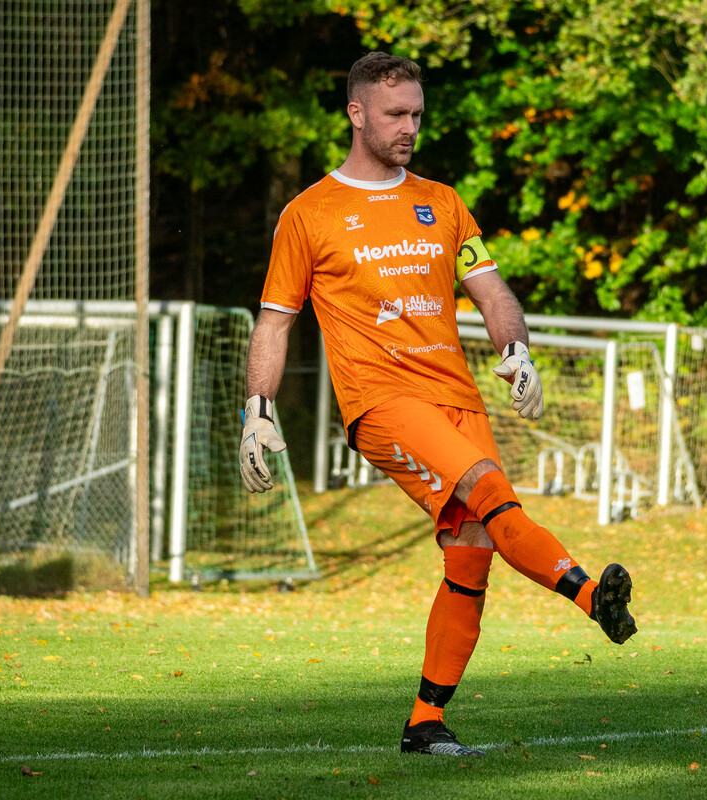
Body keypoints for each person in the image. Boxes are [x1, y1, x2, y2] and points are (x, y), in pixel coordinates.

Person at [238, 52, 637, 758]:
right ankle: (587, 593)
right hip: (382, 400)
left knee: (472, 554)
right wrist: (257, 409)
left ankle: (425, 723)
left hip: (457, 395)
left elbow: (492, 292)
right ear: (356, 114)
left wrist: (517, 350)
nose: (409, 127)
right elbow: (275, 320)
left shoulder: (443, 202)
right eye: (395, 114)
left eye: (417, 114)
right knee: (491, 492)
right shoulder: (308, 213)